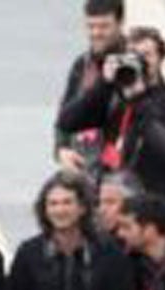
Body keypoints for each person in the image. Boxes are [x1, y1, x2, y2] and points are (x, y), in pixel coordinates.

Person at [56, 24, 165, 205]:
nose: (140, 61)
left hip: (148, 205)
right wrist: (103, 84)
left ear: (161, 58)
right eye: (133, 55)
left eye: (146, 55)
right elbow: (67, 122)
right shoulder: (113, 95)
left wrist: (140, 101)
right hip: (105, 197)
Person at [54, 0, 128, 171]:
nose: (96, 33)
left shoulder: (135, 61)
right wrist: (61, 149)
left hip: (126, 168)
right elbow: (63, 117)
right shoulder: (83, 64)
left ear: (120, 23)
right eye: (91, 26)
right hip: (87, 165)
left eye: (104, 26)